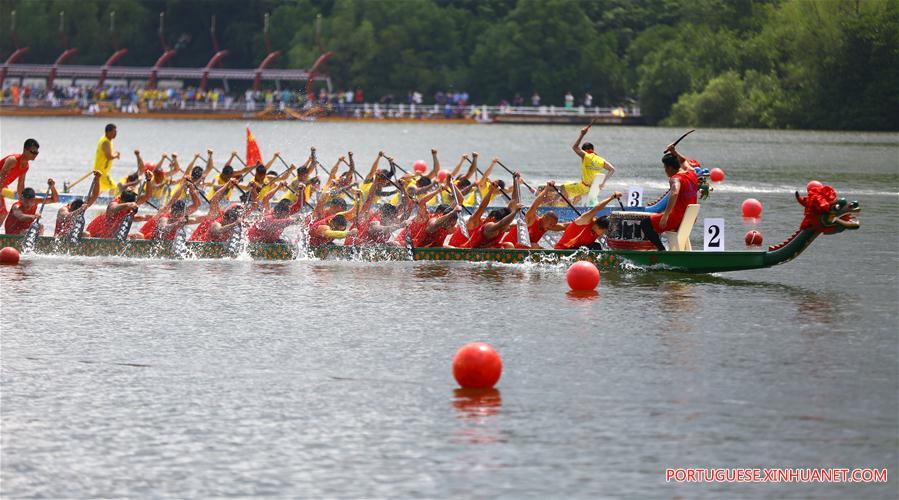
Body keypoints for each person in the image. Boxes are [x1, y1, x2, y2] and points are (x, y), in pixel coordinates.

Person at [641, 145, 699, 251]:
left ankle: (661, 250)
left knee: (645, 223)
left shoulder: (676, 178)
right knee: (656, 221)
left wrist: (665, 216)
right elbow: (684, 160)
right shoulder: (692, 173)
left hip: (676, 218)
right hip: (690, 218)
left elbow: (674, 193)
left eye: (665, 167)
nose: (665, 170)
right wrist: (674, 151)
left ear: (670, 167)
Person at [564, 121, 616, 203]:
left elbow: (575, 147)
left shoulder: (586, 156)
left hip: (584, 187)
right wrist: (603, 183)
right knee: (576, 192)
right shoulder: (601, 160)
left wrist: (582, 134)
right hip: (592, 188)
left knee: (562, 188)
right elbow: (612, 169)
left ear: (584, 151)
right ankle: (573, 204)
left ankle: (562, 208)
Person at [555, 192, 623, 250]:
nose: (604, 234)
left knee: (596, 246)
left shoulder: (597, 229)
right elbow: (596, 209)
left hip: (576, 249)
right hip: (563, 250)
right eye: (604, 231)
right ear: (598, 227)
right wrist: (612, 197)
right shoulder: (586, 220)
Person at [1, 138, 40, 226]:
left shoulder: (26, 166)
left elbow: (21, 184)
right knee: (2, 213)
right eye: (33, 152)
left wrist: (21, 200)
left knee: (3, 213)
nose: (35, 155)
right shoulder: (12, 160)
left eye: (36, 153)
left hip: (2, 187)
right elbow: (1, 176)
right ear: (25, 150)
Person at [55, 171, 102, 238]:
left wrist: (97, 179)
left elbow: (94, 196)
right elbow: (66, 217)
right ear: (70, 208)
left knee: (86, 234)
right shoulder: (63, 209)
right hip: (60, 238)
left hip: (72, 236)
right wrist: (80, 209)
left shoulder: (82, 207)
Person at [94, 123, 120, 195]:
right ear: (108, 132)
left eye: (116, 132)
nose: (115, 134)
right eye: (114, 132)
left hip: (102, 170)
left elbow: (108, 154)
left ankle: (96, 200)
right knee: (114, 187)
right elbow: (109, 156)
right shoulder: (105, 142)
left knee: (101, 189)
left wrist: (114, 154)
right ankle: (110, 202)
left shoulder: (108, 140)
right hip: (101, 171)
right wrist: (116, 155)